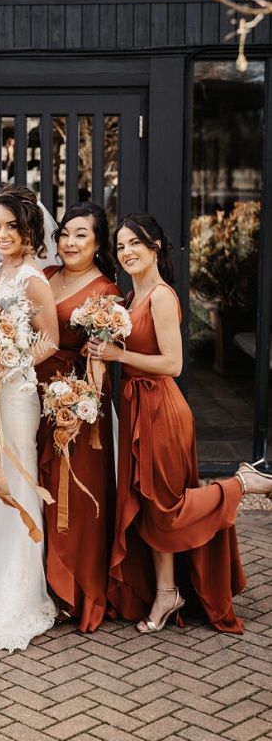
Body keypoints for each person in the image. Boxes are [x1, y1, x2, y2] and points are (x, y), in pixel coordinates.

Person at [88, 213, 272, 634]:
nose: (126, 252)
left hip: (161, 410)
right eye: (120, 246)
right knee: (151, 508)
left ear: (156, 247)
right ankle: (167, 592)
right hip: (136, 406)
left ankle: (241, 483)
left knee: (167, 507)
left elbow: (173, 363)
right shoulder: (130, 298)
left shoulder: (161, 298)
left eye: (135, 242)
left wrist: (119, 356)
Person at [0, 184, 59, 651]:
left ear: (29, 230)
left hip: (16, 397)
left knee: (16, 482)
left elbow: (51, 341)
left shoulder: (33, 279)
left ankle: (18, 597)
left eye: (11, 227)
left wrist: (7, 365)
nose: (1, 234)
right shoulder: (1, 271)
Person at [38, 202, 120, 632]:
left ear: (98, 243)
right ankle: (44, 585)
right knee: (40, 489)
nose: (69, 242)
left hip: (76, 399)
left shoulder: (105, 292)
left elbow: (99, 360)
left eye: (81, 235)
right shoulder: (46, 277)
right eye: (65, 233)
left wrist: (79, 406)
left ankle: (77, 589)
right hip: (33, 394)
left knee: (73, 489)